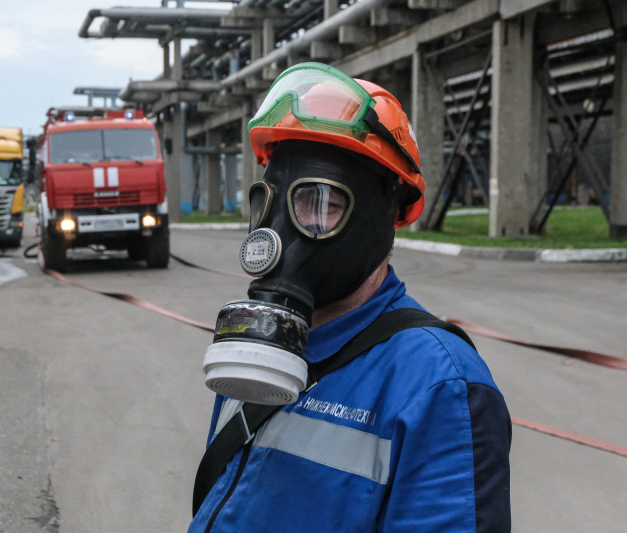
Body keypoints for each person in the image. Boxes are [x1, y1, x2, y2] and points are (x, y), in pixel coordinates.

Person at [191, 63, 511, 532]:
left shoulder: (439, 386)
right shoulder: (262, 347)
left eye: (321, 203)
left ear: (384, 215)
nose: (279, 231)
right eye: (271, 201)